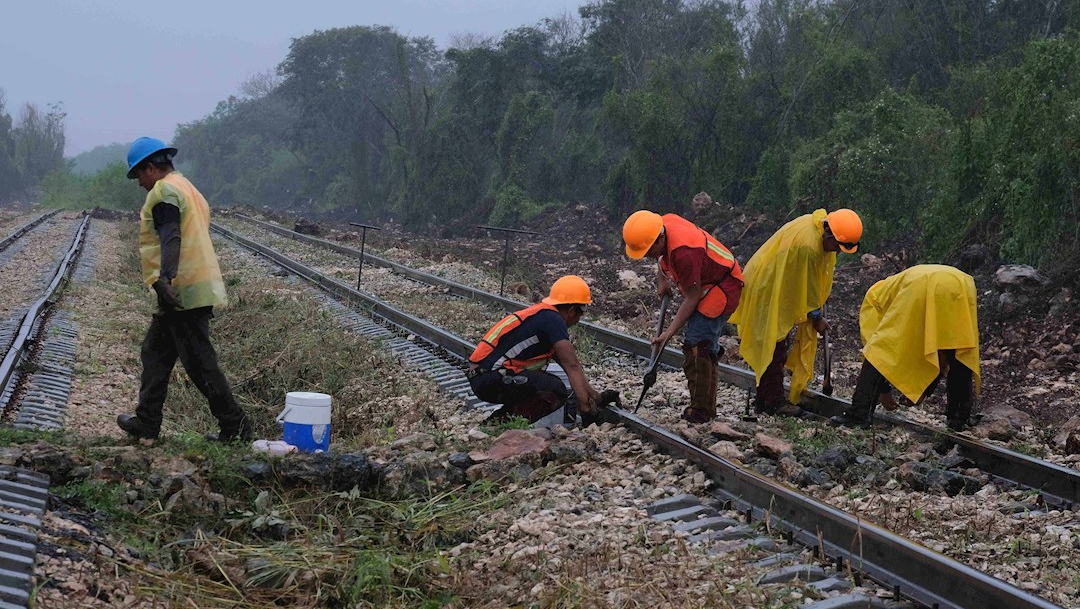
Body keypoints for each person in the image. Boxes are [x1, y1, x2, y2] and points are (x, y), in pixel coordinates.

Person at [115, 137, 252, 443]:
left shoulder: (165, 191)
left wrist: (164, 278)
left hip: (181, 291)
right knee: (155, 352)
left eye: (139, 175)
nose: (139, 183)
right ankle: (147, 421)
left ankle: (236, 427)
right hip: (186, 288)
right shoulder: (188, 187)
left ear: (151, 168)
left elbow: (171, 235)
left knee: (200, 364)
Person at [729, 208, 863, 417]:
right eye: (836, 247)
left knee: (775, 343)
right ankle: (773, 402)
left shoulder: (815, 223)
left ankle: (765, 399)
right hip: (768, 286)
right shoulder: (809, 248)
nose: (835, 252)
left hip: (778, 282)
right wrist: (817, 317)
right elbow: (807, 290)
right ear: (829, 234)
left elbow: (813, 277)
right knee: (773, 344)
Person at [622, 210, 744, 424]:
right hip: (707, 280)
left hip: (723, 286)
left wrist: (668, 333)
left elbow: (692, 296)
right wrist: (662, 280)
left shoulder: (684, 252)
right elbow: (660, 256)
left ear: (660, 239)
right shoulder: (661, 226)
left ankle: (701, 411)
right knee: (703, 346)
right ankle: (707, 406)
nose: (648, 256)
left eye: (649, 251)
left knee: (697, 345)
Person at [830, 265, 980, 430]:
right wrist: (924, 390)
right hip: (962, 284)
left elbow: (878, 354)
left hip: (922, 285)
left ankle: (858, 415)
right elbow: (939, 350)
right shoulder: (893, 288)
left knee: (879, 349)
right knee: (958, 347)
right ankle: (959, 419)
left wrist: (883, 391)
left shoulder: (872, 301)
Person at [467, 275, 601, 424]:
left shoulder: (544, 317)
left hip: (484, 376)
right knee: (554, 390)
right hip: (489, 378)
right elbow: (573, 366)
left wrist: (595, 396)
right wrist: (587, 410)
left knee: (549, 384)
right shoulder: (554, 320)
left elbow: (569, 365)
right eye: (581, 313)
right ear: (571, 310)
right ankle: (497, 426)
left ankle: (496, 423)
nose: (578, 320)